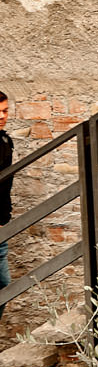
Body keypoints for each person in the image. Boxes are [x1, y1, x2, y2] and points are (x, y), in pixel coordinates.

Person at [0, 89, 12, 313]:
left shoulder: (4, 140)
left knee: (3, 284)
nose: (2, 116)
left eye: (5, 111)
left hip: (1, 223)